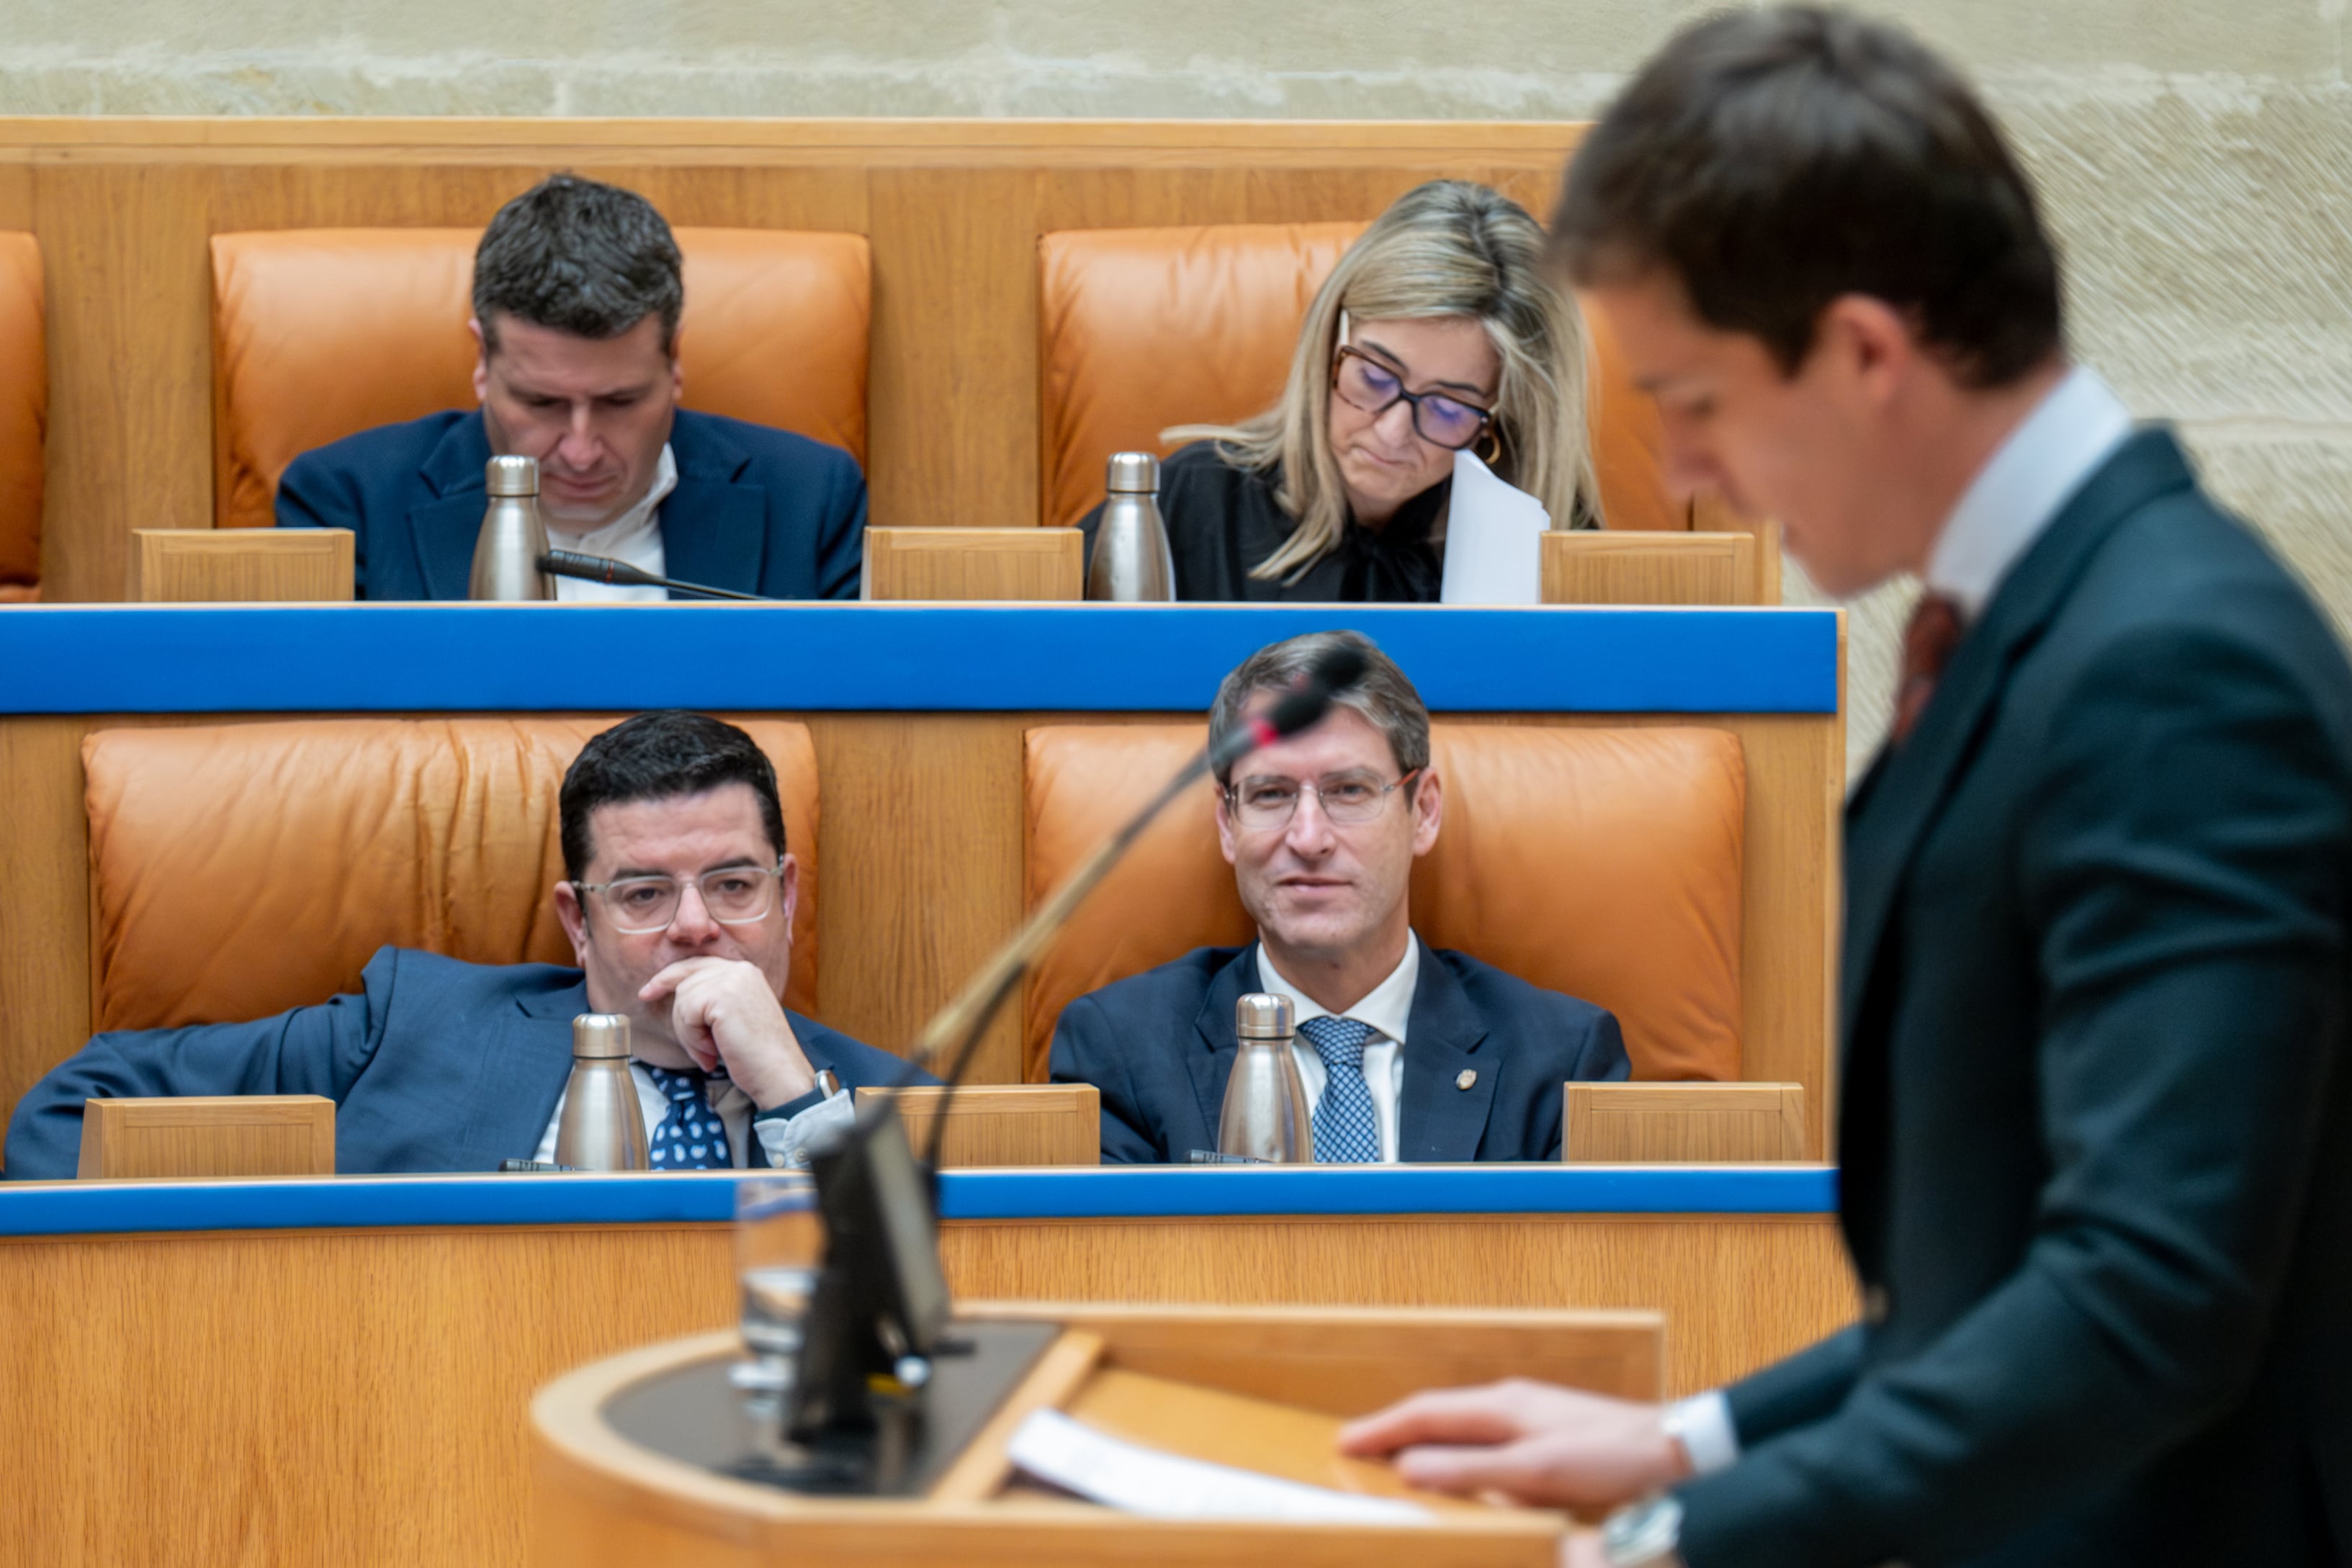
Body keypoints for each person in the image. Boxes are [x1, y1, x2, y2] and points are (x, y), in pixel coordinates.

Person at [1337, 11, 2352, 1567]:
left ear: (1866, 355)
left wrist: (1674, 1537)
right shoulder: (2038, 624)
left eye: (1694, 399)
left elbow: (2145, 1299)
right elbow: (1999, 1266)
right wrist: (1684, 1436)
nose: (1680, 470)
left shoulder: (2172, 669)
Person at [6, 712, 923, 1177]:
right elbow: (82, 1106)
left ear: (788, 895)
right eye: (644, 892)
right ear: (578, 921)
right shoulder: (415, 1027)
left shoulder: (899, 1106)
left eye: (732, 884)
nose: (694, 924)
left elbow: (942, 1330)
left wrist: (795, 1104)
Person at [1049, 630, 1627, 1163]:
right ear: (1227, 825)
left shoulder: (1561, 1066)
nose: (1308, 838)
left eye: (1349, 791)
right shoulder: (1122, 1052)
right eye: (1271, 794)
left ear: (1423, 811)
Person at [276, 174, 867, 601]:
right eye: (542, 403)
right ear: (482, 360)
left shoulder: (811, 499)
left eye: (620, 402)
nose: (581, 451)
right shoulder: (346, 503)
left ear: (675, 361)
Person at [1079, 181, 1599, 602]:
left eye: (1447, 408)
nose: (1392, 433)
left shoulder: (1552, 540)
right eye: (1374, 377)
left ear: (1498, 417)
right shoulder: (1187, 505)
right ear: (1330, 342)